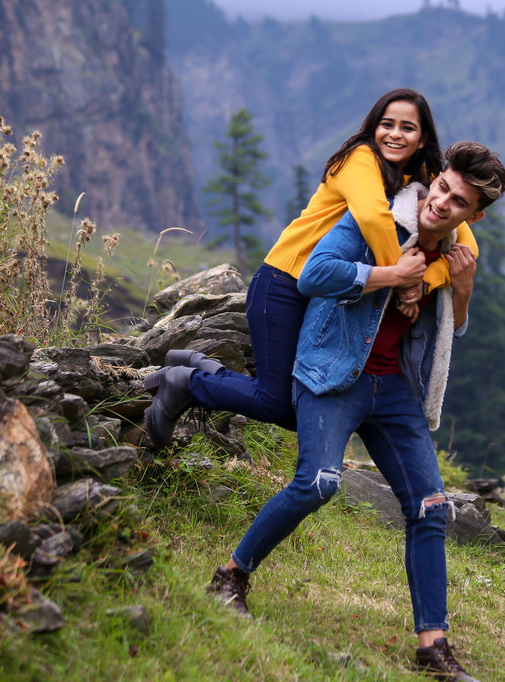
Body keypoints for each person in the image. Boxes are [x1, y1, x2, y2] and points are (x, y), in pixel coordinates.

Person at [207, 142, 505, 682]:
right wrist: (393, 275)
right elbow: (315, 274)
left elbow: (451, 326)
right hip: (330, 369)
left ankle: (433, 648)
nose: (442, 203)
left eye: (459, 202)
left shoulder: (456, 255)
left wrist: (461, 288)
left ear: (474, 215)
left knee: (431, 507)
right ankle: (230, 576)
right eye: (442, 188)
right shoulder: (377, 218)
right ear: (435, 179)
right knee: (318, 483)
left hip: (393, 389)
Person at [144, 89, 479, 442]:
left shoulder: (424, 181)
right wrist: (399, 279)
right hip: (286, 282)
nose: (395, 134)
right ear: (373, 127)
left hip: (328, 295)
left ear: (422, 138)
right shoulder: (360, 158)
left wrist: (424, 282)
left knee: (303, 402)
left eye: (407, 128)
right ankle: (185, 382)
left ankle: (200, 368)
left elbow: (467, 244)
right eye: (387, 124)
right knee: (279, 405)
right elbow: (372, 217)